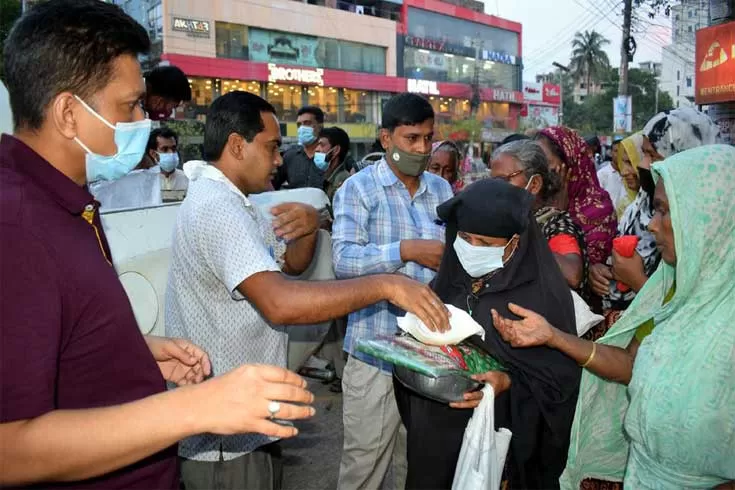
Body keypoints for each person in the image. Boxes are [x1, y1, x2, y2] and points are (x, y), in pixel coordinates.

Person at [0, 2, 315, 488]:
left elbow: (49, 340)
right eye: (129, 106)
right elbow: (10, 450)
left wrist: (129, 350)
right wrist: (193, 408)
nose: (143, 121)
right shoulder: (17, 224)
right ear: (68, 112)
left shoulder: (64, 199)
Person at [165, 91, 450, 490]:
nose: (280, 160)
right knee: (365, 460)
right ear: (235, 145)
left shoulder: (242, 204)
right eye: (271, 147)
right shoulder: (217, 208)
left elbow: (292, 265)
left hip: (246, 414)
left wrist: (309, 228)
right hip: (223, 432)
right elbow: (281, 302)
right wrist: (388, 283)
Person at [491, 144, 735, 489]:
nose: (651, 224)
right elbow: (630, 364)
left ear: (710, 218)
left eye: (665, 211)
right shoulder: (671, 286)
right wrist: (553, 336)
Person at [394, 178, 581, 490]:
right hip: (435, 442)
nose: (472, 250)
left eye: (485, 243)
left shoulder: (543, 297)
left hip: (497, 447)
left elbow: (560, 385)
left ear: (515, 243)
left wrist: (509, 382)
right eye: (465, 238)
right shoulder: (449, 281)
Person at [332, 93, 454, 490]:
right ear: (386, 139)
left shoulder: (442, 192)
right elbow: (344, 262)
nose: (422, 148)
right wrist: (405, 250)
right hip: (375, 351)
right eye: (411, 138)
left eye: (428, 138)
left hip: (430, 353)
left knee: (417, 463)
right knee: (364, 466)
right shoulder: (359, 189)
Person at [587, 108, 720, 341]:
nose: (644, 165)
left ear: (685, 153)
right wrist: (599, 271)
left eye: (653, 155)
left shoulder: (708, 224)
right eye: (644, 154)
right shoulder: (642, 204)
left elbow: (691, 318)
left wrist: (637, 281)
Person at [490, 140, 588, 292]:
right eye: (492, 181)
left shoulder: (555, 224)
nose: (495, 188)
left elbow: (572, 274)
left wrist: (523, 242)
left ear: (534, 184)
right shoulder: (508, 220)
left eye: (503, 180)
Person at [535, 127, 617, 266]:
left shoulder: (598, 209)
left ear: (569, 162)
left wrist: (557, 215)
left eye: (545, 163)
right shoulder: (535, 198)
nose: (539, 170)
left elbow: (578, 271)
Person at [272, 105, 325, 190]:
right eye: (299, 124)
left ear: (320, 126)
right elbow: (273, 185)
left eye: (307, 123)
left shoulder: (330, 155)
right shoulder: (290, 156)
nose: (302, 128)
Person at [146, 127, 189, 200]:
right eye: (165, 149)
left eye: (173, 148)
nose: (171, 153)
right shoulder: (146, 181)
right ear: (153, 153)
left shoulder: (187, 179)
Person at [597, 137, 630, 220]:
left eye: (622, 151)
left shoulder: (630, 174)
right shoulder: (602, 174)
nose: (619, 154)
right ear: (611, 153)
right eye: (616, 151)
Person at [317, 126, 351, 201]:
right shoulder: (327, 177)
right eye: (317, 145)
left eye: (322, 145)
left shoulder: (343, 180)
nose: (317, 149)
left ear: (336, 150)